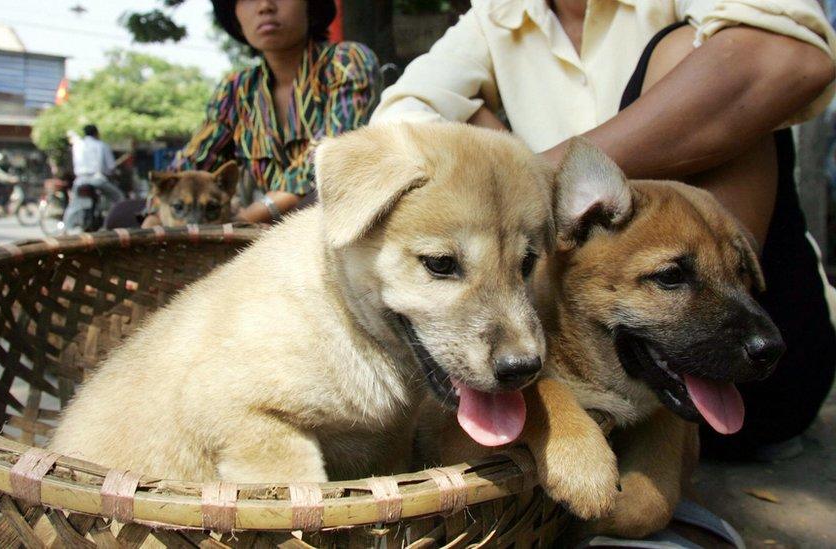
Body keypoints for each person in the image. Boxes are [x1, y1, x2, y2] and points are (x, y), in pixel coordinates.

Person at [374, 0, 836, 542]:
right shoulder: (495, 18)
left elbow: (786, 59)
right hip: (591, 324)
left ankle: (672, 458)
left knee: (703, 55)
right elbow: (398, 117)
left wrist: (529, 175)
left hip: (768, 350)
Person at [131, 0, 378, 228]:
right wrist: (154, 215)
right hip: (270, 232)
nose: (264, 6)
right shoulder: (237, 89)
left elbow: (331, 150)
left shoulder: (345, 61)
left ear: (310, 6)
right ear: (235, 16)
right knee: (123, 213)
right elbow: (195, 159)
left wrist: (252, 215)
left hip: (347, 219)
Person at [62, 124, 125, 231]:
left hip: (80, 180)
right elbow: (111, 166)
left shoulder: (77, 145)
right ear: (96, 133)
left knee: (73, 205)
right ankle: (116, 225)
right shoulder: (101, 145)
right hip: (98, 179)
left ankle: (65, 228)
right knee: (120, 198)